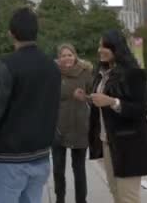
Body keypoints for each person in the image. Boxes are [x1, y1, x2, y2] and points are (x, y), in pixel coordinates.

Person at [0, 7, 61, 203]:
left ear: (11, 33)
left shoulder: (6, 66)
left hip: (9, 159)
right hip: (41, 155)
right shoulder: (53, 67)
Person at [88, 30, 147, 203]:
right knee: (116, 193)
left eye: (104, 46)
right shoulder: (104, 73)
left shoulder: (134, 73)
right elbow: (103, 102)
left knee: (128, 197)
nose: (100, 50)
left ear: (116, 47)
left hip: (128, 145)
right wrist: (88, 98)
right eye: (99, 46)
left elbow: (140, 110)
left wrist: (112, 102)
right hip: (107, 142)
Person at [52, 44, 93, 203]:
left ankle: (81, 200)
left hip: (80, 127)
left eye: (70, 55)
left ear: (75, 56)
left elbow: (96, 97)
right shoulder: (54, 74)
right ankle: (59, 199)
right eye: (63, 55)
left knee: (79, 169)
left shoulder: (85, 74)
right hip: (58, 128)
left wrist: (85, 97)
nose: (67, 58)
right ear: (59, 58)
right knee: (58, 169)